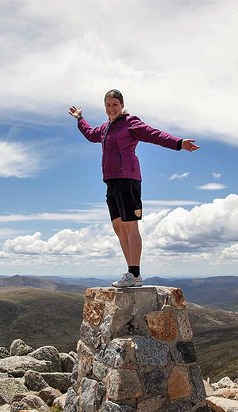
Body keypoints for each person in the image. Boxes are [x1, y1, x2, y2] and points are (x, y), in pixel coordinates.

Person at [69, 89, 200, 287]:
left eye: (115, 104)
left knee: (130, 225)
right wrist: (80, 119)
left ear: (122, 105)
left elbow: (154, 134)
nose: (111, 108)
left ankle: (135, 273)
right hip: (111, 181)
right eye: (108, 105)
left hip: (128, 179)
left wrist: (179, 143)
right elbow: (90, 134)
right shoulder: (105, 128)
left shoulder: (130, 123)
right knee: (118, 226)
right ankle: (131, 271)